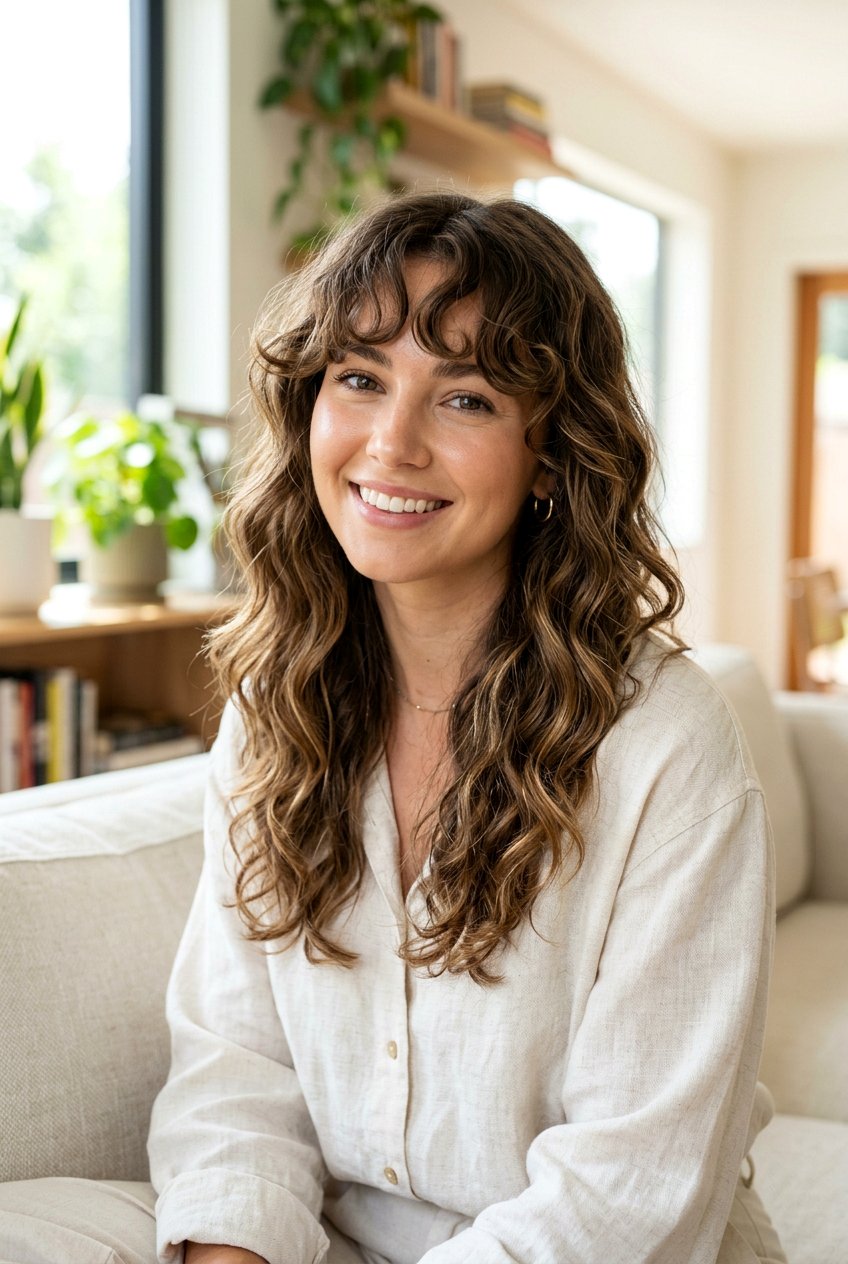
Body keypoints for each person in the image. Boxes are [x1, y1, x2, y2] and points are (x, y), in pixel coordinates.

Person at [0, 191, 786, 1264]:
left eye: (461, 399)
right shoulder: (274, 704)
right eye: (359, 380)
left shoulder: (664, 742)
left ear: (550, 453)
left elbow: (625, 1193)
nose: (390, 442)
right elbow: (235, 1068)